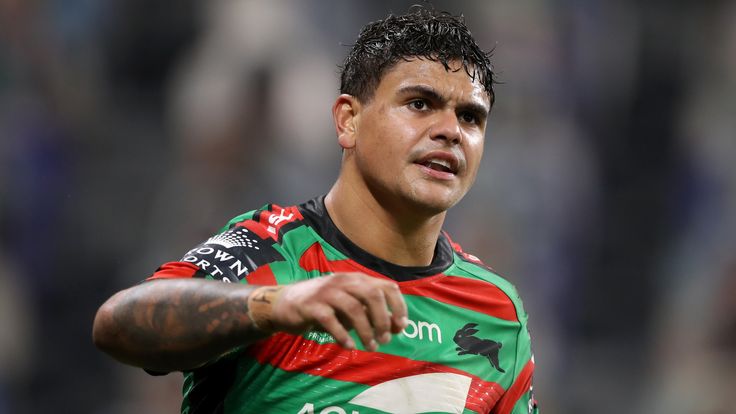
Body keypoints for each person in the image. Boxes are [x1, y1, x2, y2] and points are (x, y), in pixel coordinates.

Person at [93, 7, 539, 414]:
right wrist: (277, 306)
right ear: (349, 120)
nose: (449, 131)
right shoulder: (274, 252)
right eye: (419, 104)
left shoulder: (496, 313)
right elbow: (119, 325)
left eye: (470, 117)